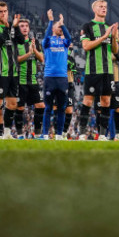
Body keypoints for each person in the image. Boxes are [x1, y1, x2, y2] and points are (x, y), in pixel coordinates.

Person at [78, 0, 119, 141]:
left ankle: (102, 134)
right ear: (94, 9)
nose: (104, 9)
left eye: (105, 7)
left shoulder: (109, 27)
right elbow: (86, 46)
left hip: (108, 71)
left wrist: (113, 37)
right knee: (88, 101)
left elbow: (115, 50)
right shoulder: (87, 26)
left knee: (106, 102)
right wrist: (104, 37)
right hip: (93, 70)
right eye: (101, 7)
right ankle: (82, 133)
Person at [0, 1, 24, 139]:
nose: (4, 14)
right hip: (0, 71)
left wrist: (15, 27)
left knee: (13, 103)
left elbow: (21, 40)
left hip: (13, 72)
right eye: (1, 11)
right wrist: (8, 29)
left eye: (5, 11)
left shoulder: (12, 27)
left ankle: (7, 132)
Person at [41, 9, 71, 140]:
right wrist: (51, 20)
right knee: (48, 108)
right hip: (50, 78)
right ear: (53, 28)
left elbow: (69, 37)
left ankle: (59, 135)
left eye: (61, 27)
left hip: (62, 79)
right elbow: (47, 35)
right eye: (58, 27)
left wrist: (63, 24)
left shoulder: (64, 43)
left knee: (62, 108)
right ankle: (45, 134)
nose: (60, 28)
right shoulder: (47, 42)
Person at [16, 18, 45, 138]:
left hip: (33, 80)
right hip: (20, 80)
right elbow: (16, 59)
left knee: (40, 106)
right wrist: (28, 54)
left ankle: (38, 134)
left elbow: (41, 58)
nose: (24, 28)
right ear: (18, 28)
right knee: (20, 107)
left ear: (29, 28)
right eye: (21, 26)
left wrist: (34, 50)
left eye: (26, 26)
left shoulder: (35, 42)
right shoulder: (15, 43)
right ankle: (19, 134)